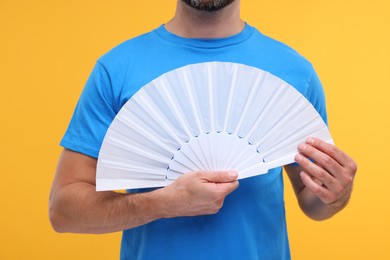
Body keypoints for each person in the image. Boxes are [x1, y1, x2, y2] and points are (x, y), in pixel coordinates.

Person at [49, 0, 357, 259]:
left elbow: (313, 202)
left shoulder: (295, 72)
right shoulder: (116, 70)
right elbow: (64, 211)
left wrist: (337, 196)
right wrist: (165, 203)